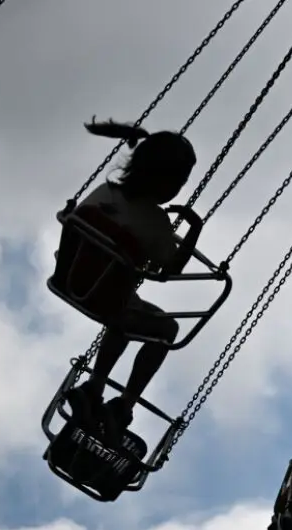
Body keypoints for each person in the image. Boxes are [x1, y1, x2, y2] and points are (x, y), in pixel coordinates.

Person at [61, 118, 203, 445]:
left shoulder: (103, 191)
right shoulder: (155, 220)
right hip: (106, 298)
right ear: (161, 179)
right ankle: (124, 406)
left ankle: (95, 387)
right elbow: (170, 270)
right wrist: (193, 230)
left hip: (71, 279)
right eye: (179, 180)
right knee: (165, 329)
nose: (179, 188)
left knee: (127, 312)